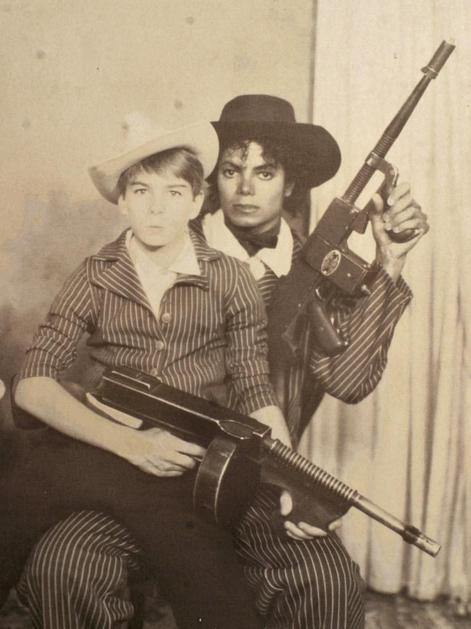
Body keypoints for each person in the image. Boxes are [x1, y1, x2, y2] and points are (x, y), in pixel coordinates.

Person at [14, 95, 429, 629]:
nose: (246, 188)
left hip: (252, 480)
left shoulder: (317, 271)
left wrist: (389, 264)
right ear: (208, 184)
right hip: (138, 472)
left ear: (291, 184)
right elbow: (43, 378)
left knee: (327, 579)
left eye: (265, 172)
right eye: (232, 171)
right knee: (66, 565)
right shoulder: (152, 247)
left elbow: (342, 381)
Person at [1, 112, 294, 629]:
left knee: (209, 576)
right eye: (141, 191)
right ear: (122, 201)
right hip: (102, 452)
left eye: (174, 193)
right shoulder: (96, 275)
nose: (157, 208)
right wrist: (134, 445)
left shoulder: (230, 278)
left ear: (197, 201)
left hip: (189, 466)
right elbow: (32, 385)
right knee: (19, 494)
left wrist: (290, 475)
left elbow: (253, 386)